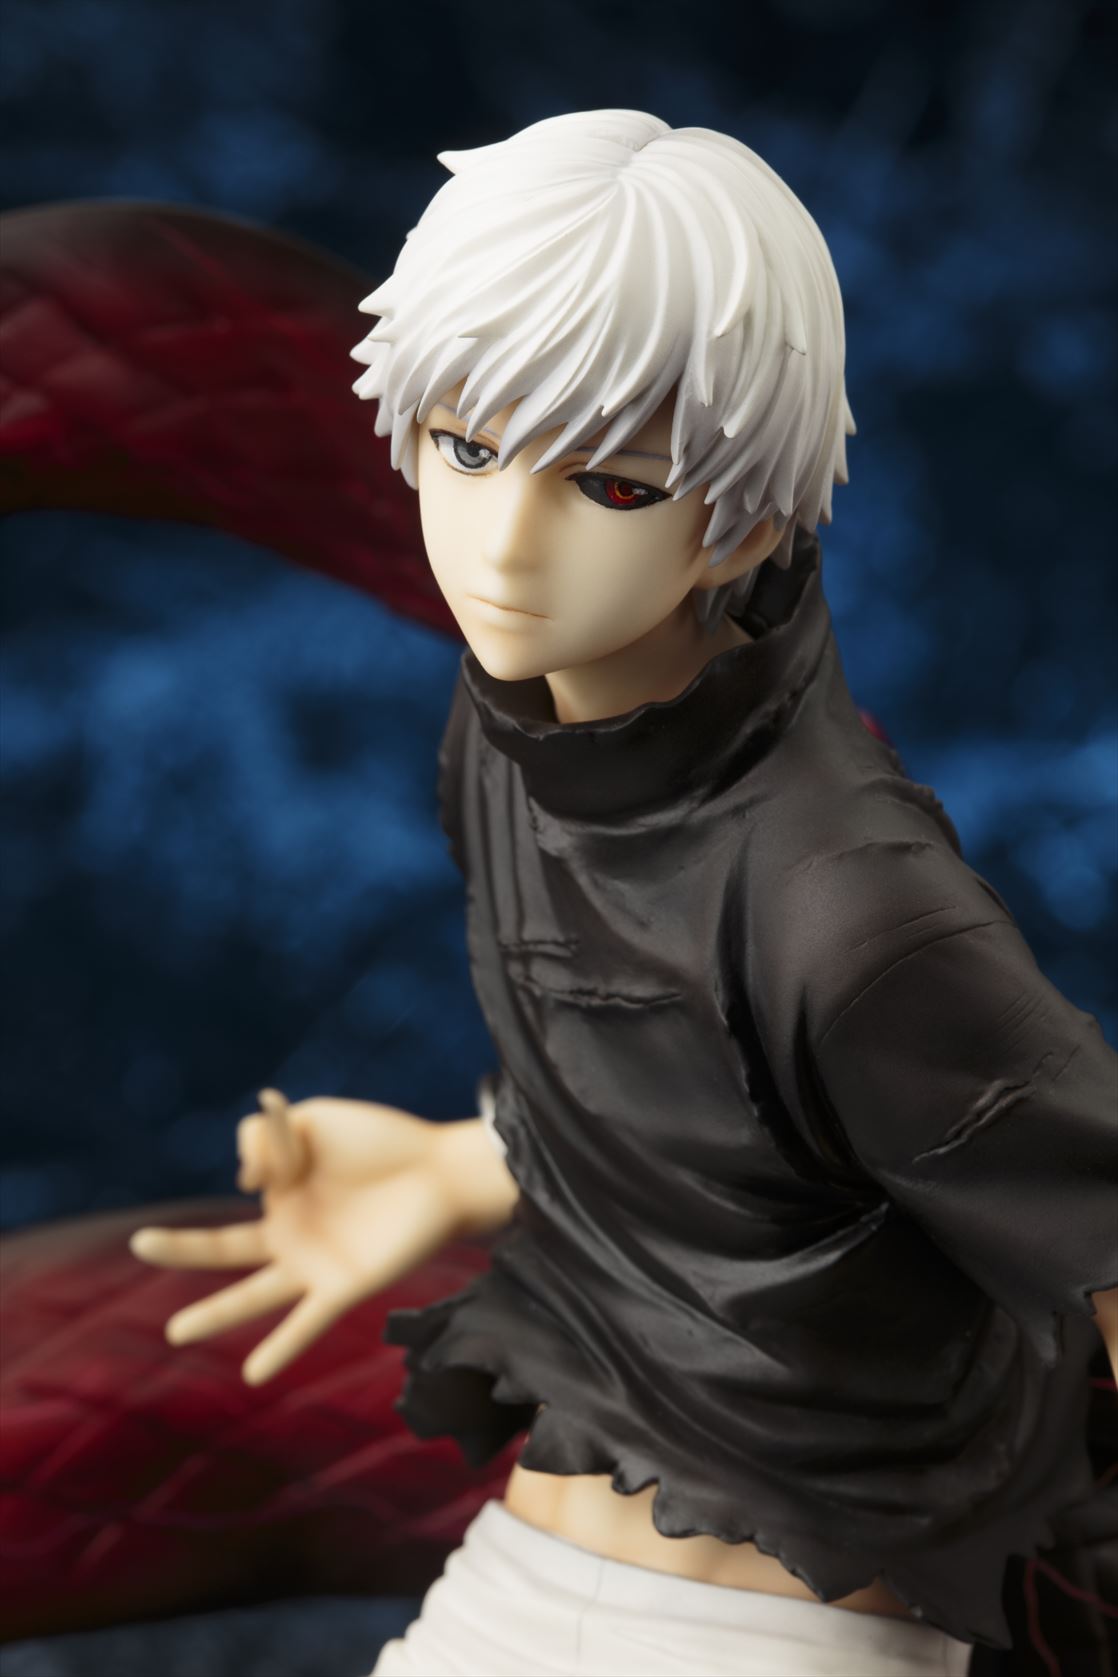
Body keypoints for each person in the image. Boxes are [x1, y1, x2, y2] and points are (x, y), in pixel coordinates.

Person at [132, 110, 1118, 1677]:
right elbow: (747, 1134)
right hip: (526, 1568)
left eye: (606, 482)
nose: (503, 542)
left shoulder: (850, 906)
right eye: (466, 447)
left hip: (779, 1629)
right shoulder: (510, 737)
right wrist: (465, 1163)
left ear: (746, 514)